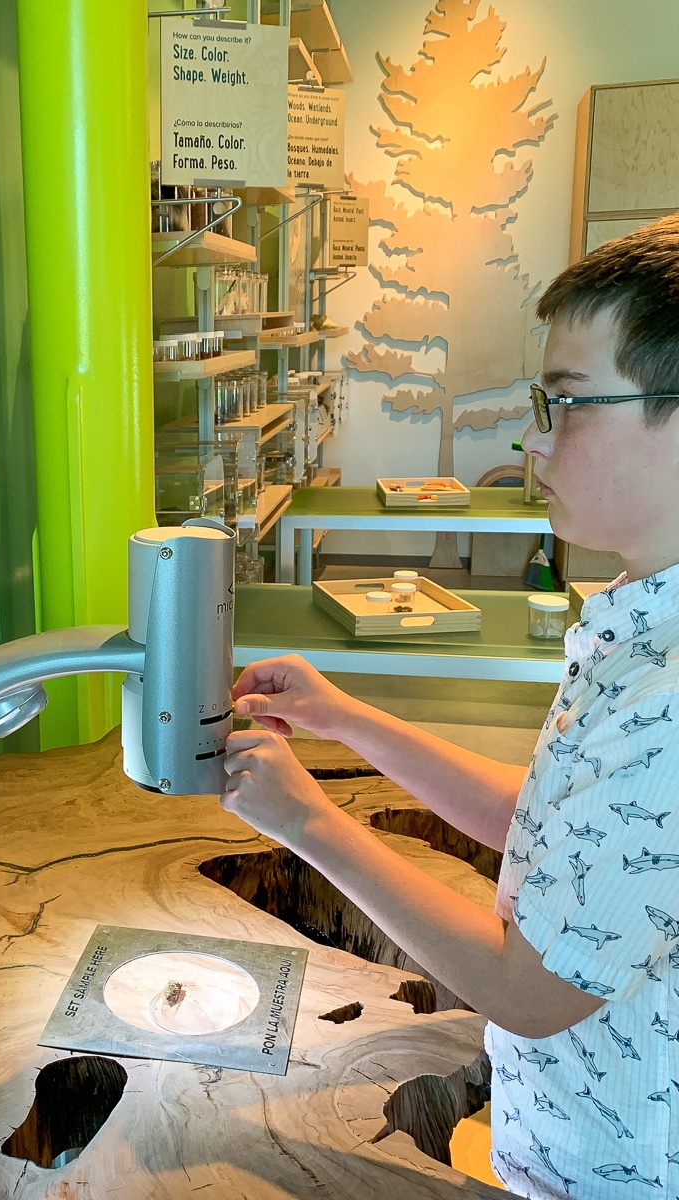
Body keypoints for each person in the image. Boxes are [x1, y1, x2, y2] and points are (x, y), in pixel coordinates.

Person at [224, 215, 679, 1199]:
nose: (530, 437)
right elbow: (551, 824)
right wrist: (347, 718)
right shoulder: (635, 618)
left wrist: (305, 820)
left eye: (566, 404)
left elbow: (529, 990)